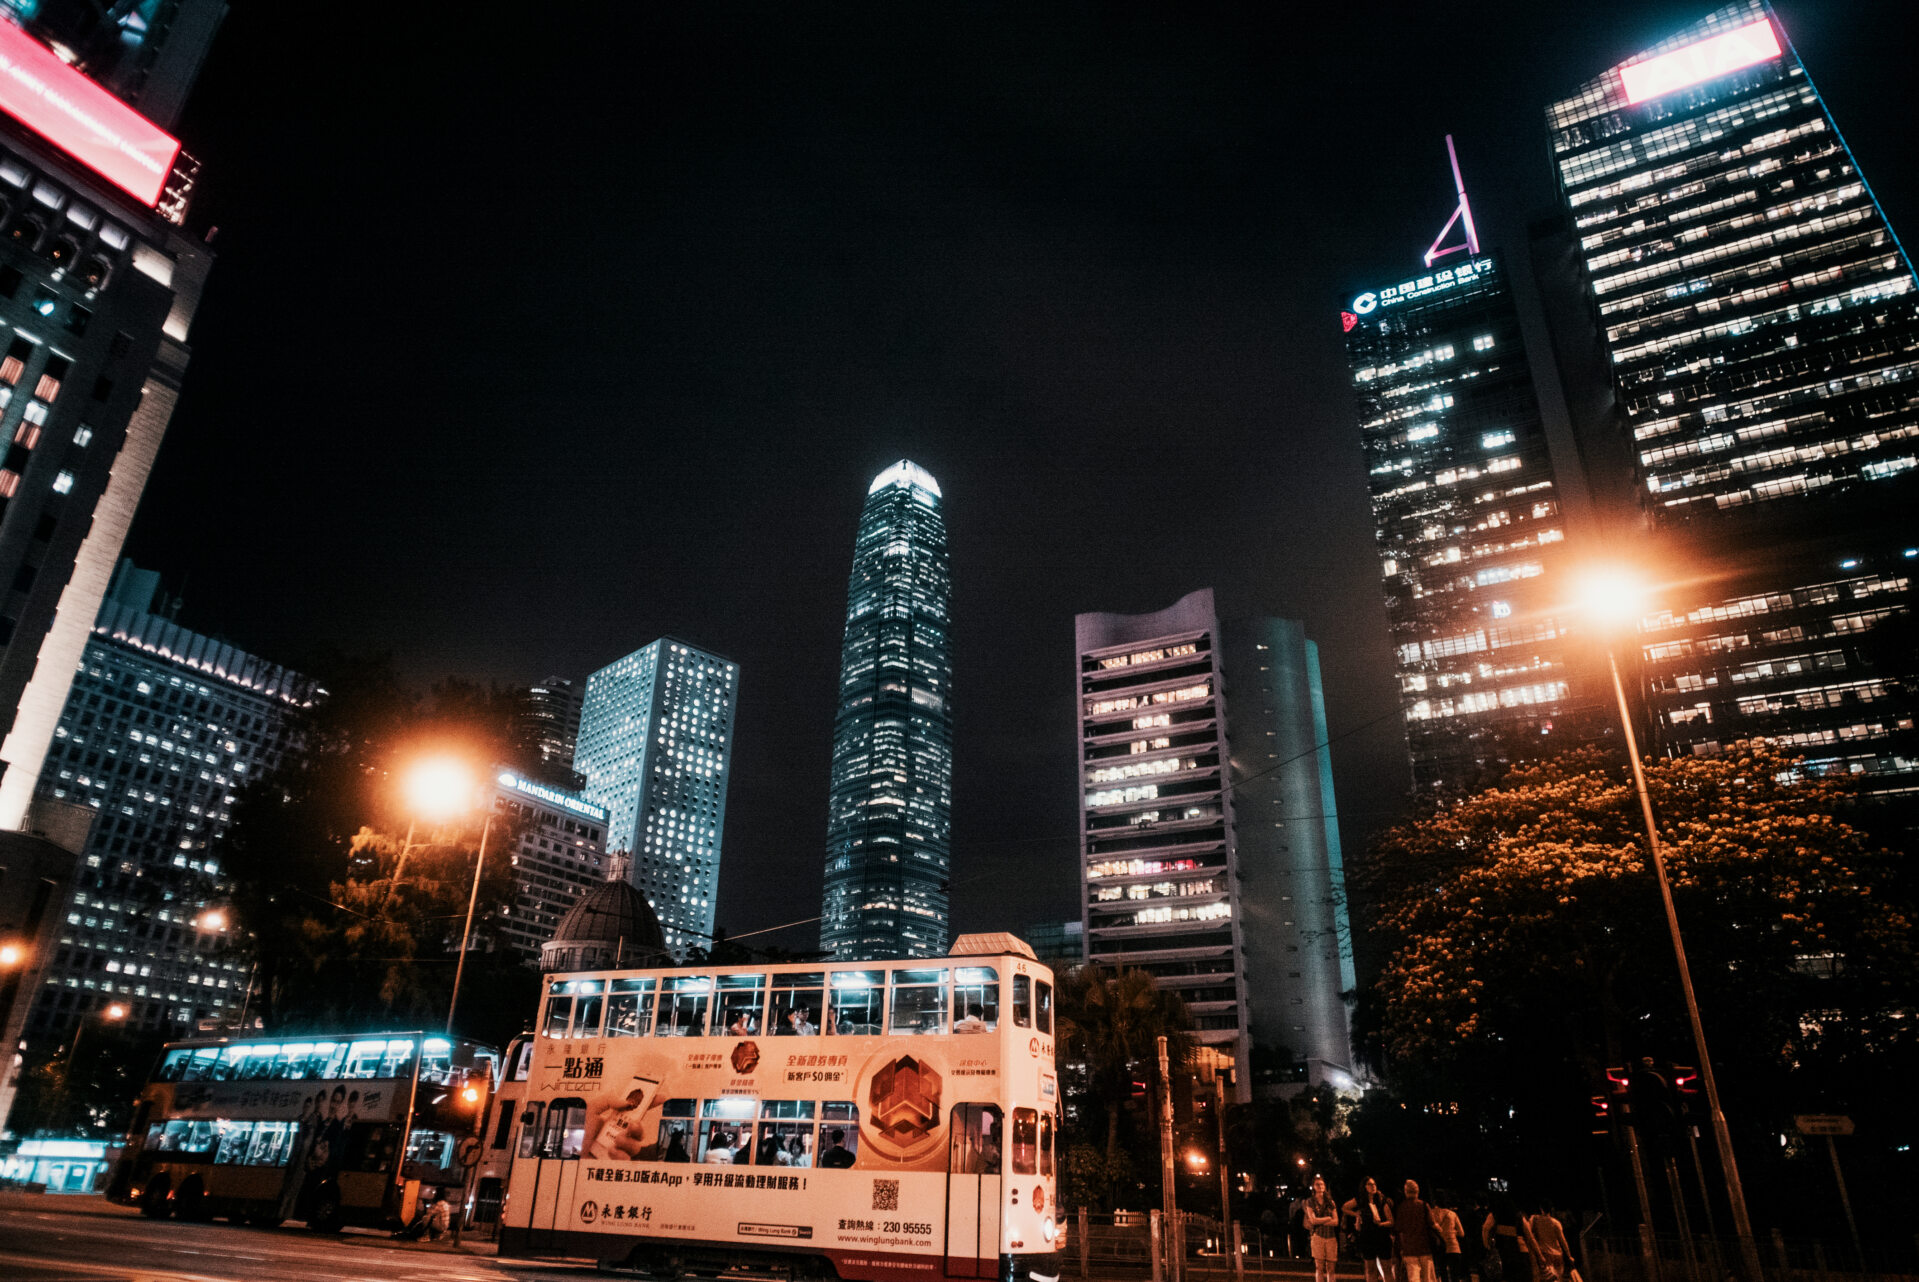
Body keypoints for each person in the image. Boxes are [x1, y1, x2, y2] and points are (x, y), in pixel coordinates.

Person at [1344, 1177, 1395, 1282]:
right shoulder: (1360, 1200)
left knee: (1387, 1268)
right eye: (1370, 1184)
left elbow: (1391, 1221)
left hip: (1382, 1237)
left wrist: (1381, 1224)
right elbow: (1345, 1207)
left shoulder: (1381, 1200)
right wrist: (1357, 1214)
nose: (1373, 1187)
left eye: (1374, 1184)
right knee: (1370, 1268)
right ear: (1364, 1186)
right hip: (1367, 1237)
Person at [1482, 1194, 1538, 1282]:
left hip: (1501, 1252)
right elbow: (1530, 1237)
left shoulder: (1494, 1215)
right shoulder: (1519, 1216)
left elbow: (1485, 1229)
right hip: (1517, 1252)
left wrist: (1487, 1246)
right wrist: (1538, 1254)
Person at [1396, 1180, 1442, 1282]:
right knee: (1428, 1277)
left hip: (1409, 1248)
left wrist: (1402, 1248)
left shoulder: (1401, 1207)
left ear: (1406, 1192)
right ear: (1418, 1191)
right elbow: (1433, 1224)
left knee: (1413, 1277)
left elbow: (1399, 1230)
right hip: (1424, 1246)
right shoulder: (1424, 1205)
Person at [1304, 1175, 1341, 1282]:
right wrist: (1328, 1218)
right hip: (1318, 1236)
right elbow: (1313, 1220)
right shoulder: (1310, 1201)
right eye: (1317, 1184)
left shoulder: (1330, 1202)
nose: (1320, 1186)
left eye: (1322, 1184)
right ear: (1313, 1187)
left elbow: (1336, 1222)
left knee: (1331, 1267)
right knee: (1319, 1266)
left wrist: (1321, 1219)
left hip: (1331, 1237)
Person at [1528, 1203, 1571, 1282]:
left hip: (1545, 1255)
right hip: (1558, 1255)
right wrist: (1569, 1256)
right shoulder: (1556, 1223)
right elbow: (1563, 1241)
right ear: (1551, 1209)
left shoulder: (1536, 1220)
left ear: (1541, 1209)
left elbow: (1530, 1234)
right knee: (1559, 1279)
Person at [1430, 1193, 1466, 1282]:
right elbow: (1462, 1233)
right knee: (1455, 1276)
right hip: (1454, 1247)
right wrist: (1452, 1232)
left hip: (1440, 1247)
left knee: (1443, 1273)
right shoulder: (1453, 1214)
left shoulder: (1431, 1213)